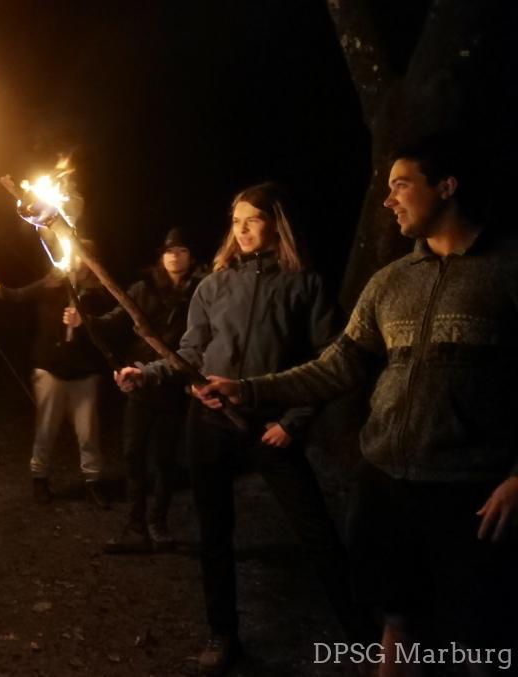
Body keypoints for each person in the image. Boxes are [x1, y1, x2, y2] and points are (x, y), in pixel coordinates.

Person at [201, 136, 518, 667]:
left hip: (470, 491)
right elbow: (337, 365)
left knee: (473, 633)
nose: (388, 200)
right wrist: (249, 388)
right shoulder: (390, 282)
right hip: (387, 482)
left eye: (401, 185)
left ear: (446, 186)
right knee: (397, 618)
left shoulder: (505, 271)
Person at [116, 182, 364, 674]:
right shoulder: (214, 285)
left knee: (317, 534)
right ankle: (223, 633)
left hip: (270, 424)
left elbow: (328, 361)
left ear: (277, 223)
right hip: (210, 423)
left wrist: (294, 422)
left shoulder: (305, 284)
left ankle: (363, 639)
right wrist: (147, 374)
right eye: (236, 221)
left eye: (253, 219)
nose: (242, 229)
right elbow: (190, 353)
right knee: (215, 533)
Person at [77, 227, 205, 552]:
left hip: (174, 386)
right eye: (169, 251)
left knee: (164, 459)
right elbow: (112, 320)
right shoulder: (142, 288)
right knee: (133, 456)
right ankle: (136, 525)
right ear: (161, 257)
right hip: (139, 382)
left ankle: (157, 523)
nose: (175, 256)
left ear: (191, 257)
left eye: (182, 251)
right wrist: (85, 319)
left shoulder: (201, 291)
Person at [0, 253, 113, 506]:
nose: (76, 260)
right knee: (46, 428)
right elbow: (16, 295)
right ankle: (39, 478)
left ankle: (93, 481)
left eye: (81, 256)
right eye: (72, 255)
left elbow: (111, 325)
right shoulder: (50, 285)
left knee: (88, 432)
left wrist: (84, 320)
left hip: (85, 372)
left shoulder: (100, 293)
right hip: (51, 368)